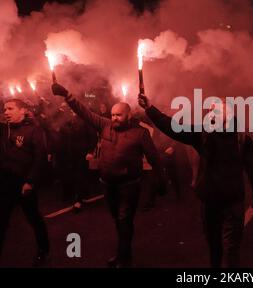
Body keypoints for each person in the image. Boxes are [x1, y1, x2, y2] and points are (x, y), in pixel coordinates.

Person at [138, 93, 253, 268]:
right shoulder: (205, 134)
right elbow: (174, 127)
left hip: (229, 202)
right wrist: (150, 109)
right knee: (218, 246)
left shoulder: (240, 139)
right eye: (211, 110)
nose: (211, 114)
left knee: (229, 248)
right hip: (213, 201)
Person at [52, 83, 165, 268]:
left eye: (118, 115)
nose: (114, 118)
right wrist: (66, 94)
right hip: (107, 183)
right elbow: (84, 112)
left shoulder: (140, 133)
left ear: (128, 115)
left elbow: (154, 158)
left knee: (124, 219)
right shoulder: (105, 125)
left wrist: (161, 180)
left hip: (129, 185)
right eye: (112, 115)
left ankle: (123, 257)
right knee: (118, 220)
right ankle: (123, 252)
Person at [0, 99, 50, 267]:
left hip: (23, 183)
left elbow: (40, 158)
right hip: (6, 182)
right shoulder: (4, 129)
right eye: (4, 109)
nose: (6, 112)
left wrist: (30, 182)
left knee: (33, 217)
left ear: (22, 111)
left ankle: (43, 249)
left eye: (10, 109)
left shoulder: (33, 130)